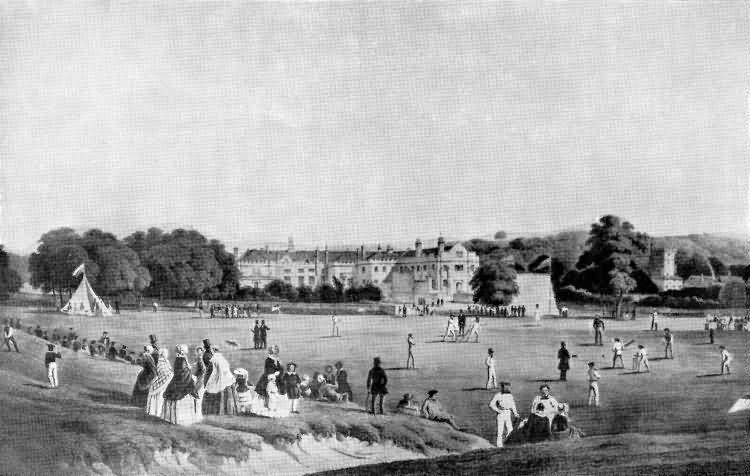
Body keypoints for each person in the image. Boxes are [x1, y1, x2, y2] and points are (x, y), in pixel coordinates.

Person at [162, 344, 202, 425]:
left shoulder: (178, 359)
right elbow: (184, 372)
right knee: (183, 396)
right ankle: (182, 419)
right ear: (182, 351)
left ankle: (173, 419)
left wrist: (189, 371)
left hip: (178, 380)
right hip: (183, 382)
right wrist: (191, 375)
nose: (186, 351)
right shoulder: (182, 359)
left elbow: (183, 370)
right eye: (185, 350)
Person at [202, 345, 239, 415]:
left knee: (212, 391)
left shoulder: (213, 359)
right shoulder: (222, 358)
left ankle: (214, 411)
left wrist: (206, 381)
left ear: (213, 350)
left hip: (218, 380)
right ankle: (228, 411)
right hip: (227, 380)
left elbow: (209, 372)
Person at [489, 381, 519, 448]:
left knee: (510, 429)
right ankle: (499, 445)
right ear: (502, 387)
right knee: (500, 430)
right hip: (501, 414)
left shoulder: (510, 395)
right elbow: (491, 404)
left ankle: (509, 443)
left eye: (508, 387)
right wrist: (498, 411)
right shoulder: (498, 395)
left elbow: (512, 405)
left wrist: (515, 413)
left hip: (508, 413)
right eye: (505, 387)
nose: (507, 388)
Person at [146, 348, 174, 417]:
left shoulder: (167, 361)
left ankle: (162, 413)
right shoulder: (160, 362)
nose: (167, 355)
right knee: (159, 398)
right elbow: (162, 372)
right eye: (166, 353)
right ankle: (156, 413)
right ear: (162, 354)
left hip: (166, 383)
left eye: (167, 353)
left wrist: (171, 373)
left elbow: (169, 370)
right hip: (160, 383)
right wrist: (171, 374)